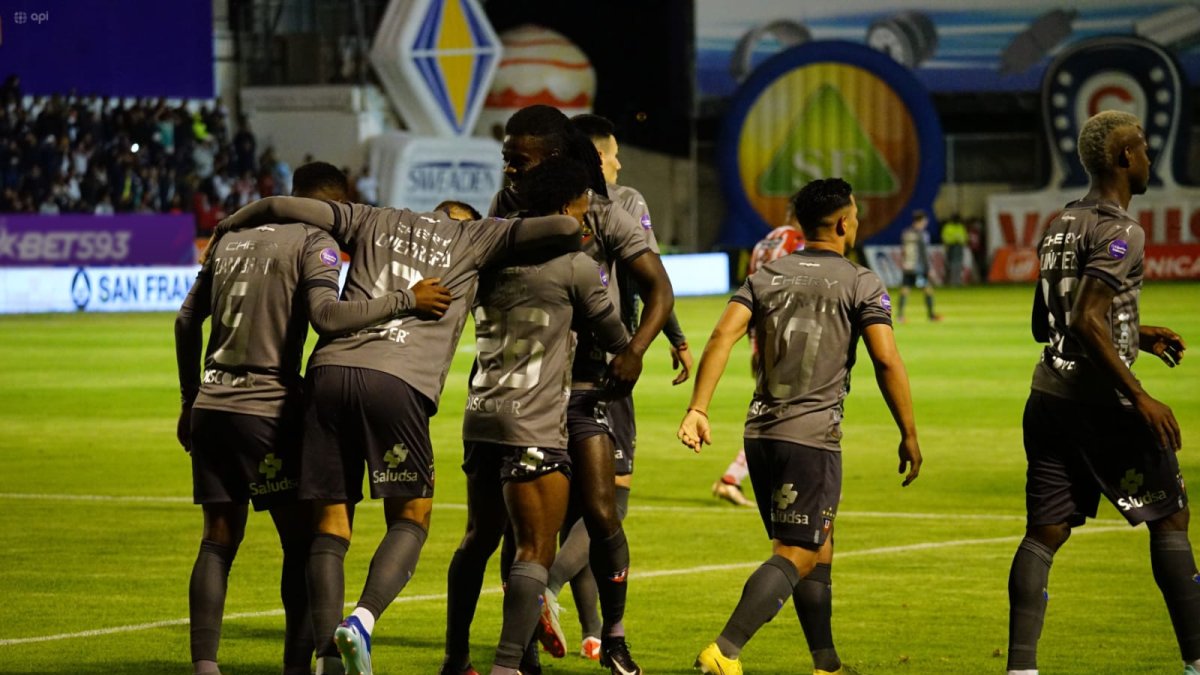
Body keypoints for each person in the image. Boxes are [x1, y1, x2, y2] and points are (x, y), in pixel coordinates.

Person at [213, 168, 584, 675]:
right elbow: (564, 231)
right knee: (412, 516)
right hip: (396, 383)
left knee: (331, 524)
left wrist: (231, 221)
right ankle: (361, 621)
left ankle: (326, 657)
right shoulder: (475, 236)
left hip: (327, 375)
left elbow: (280, 205)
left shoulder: (371, 218)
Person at [174, 161, 447, 675]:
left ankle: (204, 666)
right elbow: (326, 315)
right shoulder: (314, 241)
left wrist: (190, 399)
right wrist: (406, 300)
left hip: (212, 404)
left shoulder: (230, 236)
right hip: (267, 409)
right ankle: (305, 665)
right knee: (305, 547)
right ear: (334, 201)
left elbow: (186, 320)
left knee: (217, 539)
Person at [677, 178, 922, 675]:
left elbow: (723, 335)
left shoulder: (767, 276)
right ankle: (724, 651)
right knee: (797, 552)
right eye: (853, 215)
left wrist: (698, 407)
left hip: (761, 432)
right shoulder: (860, 281)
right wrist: (909, 432)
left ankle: (826, 663)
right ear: (841, 223)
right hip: (810, 439)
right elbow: (886, 360)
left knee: (818, 544)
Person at [468, 104, 674, 675]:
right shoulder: (504, 211)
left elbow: (659, 288)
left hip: (589, 385)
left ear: (552, 159)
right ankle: (522, 649)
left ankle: (614, 637)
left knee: (604, 512)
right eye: (506, 158)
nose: (508, 169)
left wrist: (633, 351)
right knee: (520, 527)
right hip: (525, 388)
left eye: (518, 159)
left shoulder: (602, 214)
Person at [1006, 110, 1194, 675]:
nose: (1148, 157)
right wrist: (1141, 396)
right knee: (1171, 520)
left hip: (1048, 399)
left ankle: (1020, 669)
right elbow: (1087, 317)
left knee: (1045, 531)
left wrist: (1137, 330)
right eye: (1140, 148)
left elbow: (1047, 323)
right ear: (1122, 159)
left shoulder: (1059, 223)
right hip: (1103, 407)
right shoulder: (1122, 230)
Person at [445, 156, 631, 675]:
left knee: (478, 538)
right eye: (583, 206)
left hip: (481, 416)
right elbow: (616, 338)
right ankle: (508, 666)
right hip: (535, 420)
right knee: (535, 548)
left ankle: (456, 659)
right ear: (569, 207)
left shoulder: (487, 260)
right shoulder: (574, 266)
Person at [527, 113, 693, 662]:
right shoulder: (623, 204)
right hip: (595, 375)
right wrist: (658, 341)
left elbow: (652, 279)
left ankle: (596, 630)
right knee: (608, 503)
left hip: (556, 374)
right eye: (613, 152)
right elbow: (653, 276)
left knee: (573, 510)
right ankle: (546, 595)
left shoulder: (528, 207)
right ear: (593, 158)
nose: (619, 163)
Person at [712, 208, 806, 508]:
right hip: (785, 341)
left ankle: (788, 482)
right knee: (788, 416)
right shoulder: (796, 244)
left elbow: (753, 293)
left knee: (780, 414)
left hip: (762, 337)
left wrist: (755, 345)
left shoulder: (764, 243)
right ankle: (733, 478)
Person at [897, 209, 941, 322]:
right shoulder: (922, 234)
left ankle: (900, 316)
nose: (926, 223)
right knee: (928, 290)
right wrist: (929, 269)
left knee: (905, 290)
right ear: (921, 221)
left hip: (908, 267)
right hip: (918, 269)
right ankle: (931, 316)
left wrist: (904, 262)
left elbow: (903, 250)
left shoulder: (906, 233)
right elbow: (923, 253)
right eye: (925, 221)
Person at [940, 213, 968, 286]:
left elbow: (965, 237)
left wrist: (961, 240)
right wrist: (953, 240)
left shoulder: (960, 226)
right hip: (951, 247)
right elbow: (945, 237)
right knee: (951, 265)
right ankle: (952, 281)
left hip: (959, 247)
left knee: (959, 264)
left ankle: (958, 281)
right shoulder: (948, 227)